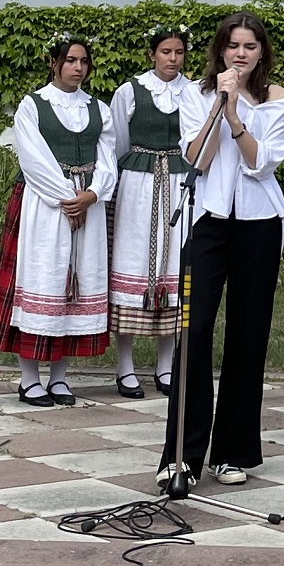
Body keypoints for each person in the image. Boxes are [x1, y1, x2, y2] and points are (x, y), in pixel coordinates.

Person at [158, 13, 284, 493]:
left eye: (250, 46)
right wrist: (219, 106)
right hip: (209, 220)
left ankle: (233, 451)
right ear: (220, 51)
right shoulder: (196, 97)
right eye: (233, 45)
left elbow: (260, 164)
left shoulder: (278, 101)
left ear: (262, 52)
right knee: (192, 331)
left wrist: (238, 115)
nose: (240, 54)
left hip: (259, 223)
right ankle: (182, 455)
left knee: (247, 335)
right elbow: (196, 160)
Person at [0, 35, 118, 406]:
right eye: (71, 60)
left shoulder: (99, 109)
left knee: (74, 285)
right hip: (44, 205)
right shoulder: (33, 105)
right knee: (42, 278)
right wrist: (67, 198)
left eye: (84, 61)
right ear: (54, 62)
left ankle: (59, 378)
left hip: (86, 203)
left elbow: (108, 157)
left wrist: (92, 194)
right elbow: (33, 158)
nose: (78, 68)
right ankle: (29, 379)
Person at [107, 22, 191, 399]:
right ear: (152, 54)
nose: (173, 59)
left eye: (179, 52)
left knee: (175, 266)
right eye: (166, 52)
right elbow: (118, 143)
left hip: (178, 183)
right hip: (138, 185)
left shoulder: (194, 91)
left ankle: (166, 365)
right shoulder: (130, 91)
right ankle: (124, 367)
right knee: (133, 263)